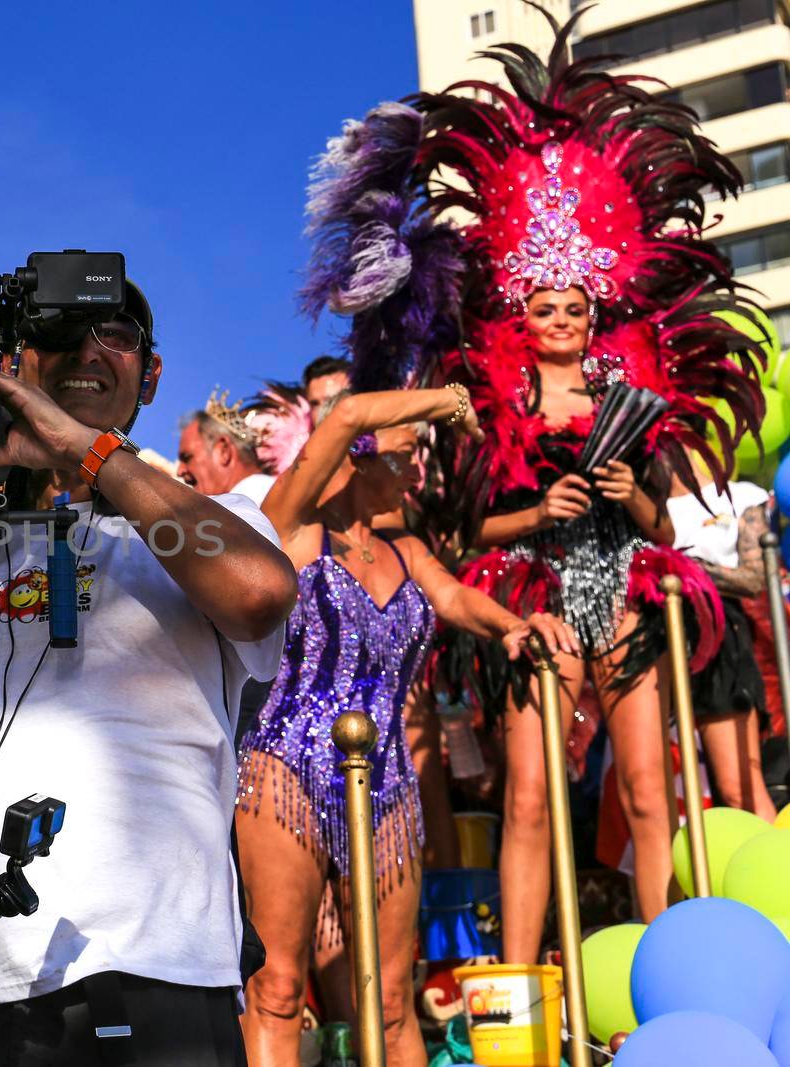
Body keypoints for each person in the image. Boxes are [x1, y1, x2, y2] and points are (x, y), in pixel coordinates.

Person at [298, 11, 758, 965]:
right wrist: (536, 512)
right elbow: (466, 533)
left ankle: (677, 957)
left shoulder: (630, 391)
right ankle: (516, 973)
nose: (559, 318)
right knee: (528, 794)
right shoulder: (490, 396)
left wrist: (628, 491)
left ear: (594, 310)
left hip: (624, 589)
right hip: (530, 592)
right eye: (544, 306)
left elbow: (659, 519)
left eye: (574, 306)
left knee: (645, 788)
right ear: (525, 310)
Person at [0, 283, 298, 1065]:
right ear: (14, 362)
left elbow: (260, 592)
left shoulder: (219, 521)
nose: (87, 348)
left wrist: (86, 451)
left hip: (155, 974)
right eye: (59, 329)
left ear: (154, 372)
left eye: (115, 331)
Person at [238, 388, 576, 1067]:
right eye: (403, 456)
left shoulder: (409, 549)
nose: (417, 471)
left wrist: (515, 626)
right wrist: (449, 400)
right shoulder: (296, 524)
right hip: (286, 768)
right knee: (277, 985)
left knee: (393, 997)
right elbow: (348, 415)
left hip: (388, 781)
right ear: (356, 463)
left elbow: (453, 598)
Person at [668, 456, 777, 819]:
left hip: (718, 638)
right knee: (658, 792)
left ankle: (770, 873)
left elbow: (756, 578)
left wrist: (684, 571)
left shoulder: (739, 497)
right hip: (655, 639)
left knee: (739, 787)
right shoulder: (642, 507)